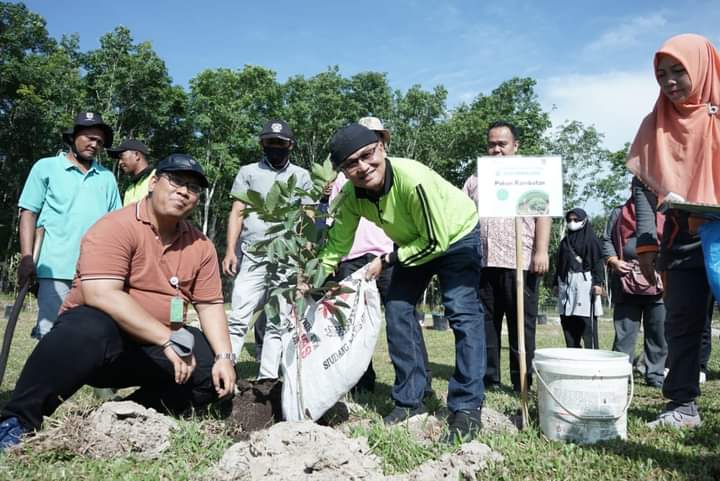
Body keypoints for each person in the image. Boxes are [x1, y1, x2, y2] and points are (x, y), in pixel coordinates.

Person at [0, 154, 236, 450]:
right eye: (175, 180)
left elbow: (210, 304)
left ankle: (129, 413)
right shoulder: (115, 226)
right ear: (153, 183)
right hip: (101, 345)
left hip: (155, 348)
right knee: (86, 326)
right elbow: (101, 294)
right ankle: (18, 419)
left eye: (192, 187)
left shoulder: (201, 246)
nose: (183, 191)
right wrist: (165, 339)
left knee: (208, 373)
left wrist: (225, 358)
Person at [318, 123, 486, 444]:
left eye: (368, 155)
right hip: (414, 241)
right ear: (343, 171)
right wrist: (311, 281)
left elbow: (436, 241)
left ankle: (467, 405)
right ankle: (411, 400)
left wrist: (387, 260)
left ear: (382, 148)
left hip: (456, 235)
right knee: (397, 311)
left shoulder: (413, 180)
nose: (363, 167)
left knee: (462, 312)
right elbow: (336, 246)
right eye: (351, 164)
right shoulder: (351, 197)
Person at [628, 34, 720, 429]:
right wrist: (646, 242)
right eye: (661, 74)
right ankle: (682, 405)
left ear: (701, 67)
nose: (669, 81)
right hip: (681, 239)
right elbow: (644, 187)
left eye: (678, 70)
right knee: (680, 322)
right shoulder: (655, 122)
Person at [328, 116, 432, 396]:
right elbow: (335, 225)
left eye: (374, 138)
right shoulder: (343, 181)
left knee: (403, 318)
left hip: (388, 256)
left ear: (382, 143)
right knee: (353, 325)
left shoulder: (398, 175)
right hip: (351, 259)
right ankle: (360, 383)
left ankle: (419, 384)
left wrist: (392, 255)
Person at [462, 121, 551, 392]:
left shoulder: (530, 175)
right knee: (486, 325)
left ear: (515, 146)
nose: (496, 149)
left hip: (521, 262)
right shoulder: (475, 180)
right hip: (483, 263)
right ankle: (490, 379)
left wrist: (541, 251)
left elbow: (543, 215)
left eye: (502, 144)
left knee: (521, 326)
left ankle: (521, 379)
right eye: (492, 144)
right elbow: (463, 217)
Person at [17, 112, 122, 339]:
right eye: (89, 137)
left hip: (96, 273)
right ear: (73, 137)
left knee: (90, 337)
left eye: (100, 142)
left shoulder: (107, 178)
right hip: (54, 269)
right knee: (51, 336)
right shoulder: (46, 167)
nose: (94, 144)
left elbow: (117, 227)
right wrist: (26, 257)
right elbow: (28, 213)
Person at [222, 119, 312, 379]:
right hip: (253, 254)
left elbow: (307, 218)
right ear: (262, 144)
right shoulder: (247, 172)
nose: (275, 147)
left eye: (280, 143)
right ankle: (226, 370)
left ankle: (268, 378)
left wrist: (304, 260)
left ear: (290, 146)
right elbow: (237, 212)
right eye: (270, 143)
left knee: (278, 320)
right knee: (239, 315)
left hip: (286, 258)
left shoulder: (302, 176)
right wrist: (230, 250)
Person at [603, 197, 667, 388]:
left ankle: (655, 374)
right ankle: (619, 373)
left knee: (658, 331)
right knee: (624, 333)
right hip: (626, 284)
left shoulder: (666, 212)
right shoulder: (618, 212)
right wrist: (613, 261)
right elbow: (606, 239)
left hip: (658, 282)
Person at [555, 208, 604, 348]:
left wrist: (598, 283)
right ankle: (572, 352)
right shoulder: (565, 242)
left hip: (585, 284)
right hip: (566, 283)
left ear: (584, 221)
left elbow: (598, 263)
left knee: (586, 322)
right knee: (568, 321)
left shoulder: (592, 241)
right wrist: (555, 283)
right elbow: (559, 263)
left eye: (576, 220)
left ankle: (592, 355)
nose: (572, 222)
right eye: (569, 219)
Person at [107, 139, 155, 205]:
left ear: (136, 155)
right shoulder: (129, 189)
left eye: (122, 156)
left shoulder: (158, 178)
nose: (120, 162)